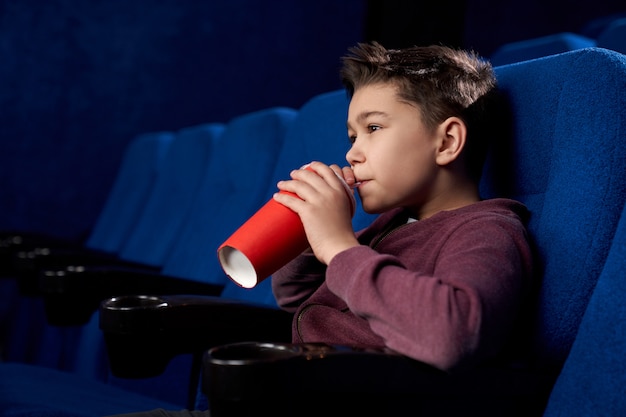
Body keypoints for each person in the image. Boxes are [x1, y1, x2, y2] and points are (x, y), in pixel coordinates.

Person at [106, 41, 533, 416]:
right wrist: (313, 235)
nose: (353, 154)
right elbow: (297, 300)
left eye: (373, 128)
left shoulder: (486, 230)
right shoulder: (392, 225)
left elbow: (453, 335)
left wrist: (337, 246)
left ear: (446, 142)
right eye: (351, 136)